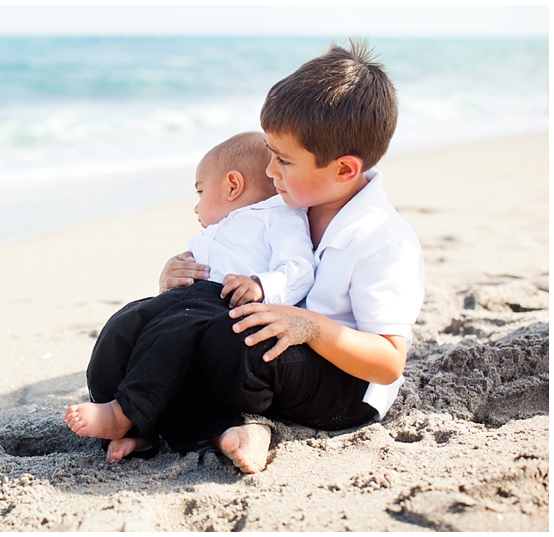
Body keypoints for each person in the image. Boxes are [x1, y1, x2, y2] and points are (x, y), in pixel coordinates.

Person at [153, 40, 425, 474]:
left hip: (344, 387)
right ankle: (215, 426)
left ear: (344, 170)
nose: (269, 171)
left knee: (230, 341)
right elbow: (231, 260)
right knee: (164, 326)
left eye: (282, 160)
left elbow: (389, 362)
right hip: (277, 353)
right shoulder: (288, 205)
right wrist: (181, 275)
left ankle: (241, 425)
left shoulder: (383, 239)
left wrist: (309, 327)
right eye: (269, 153)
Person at [63, 132, 316, 463]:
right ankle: (137, 432)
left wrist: (261, 285)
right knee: (125, 324)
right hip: (185, 300)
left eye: (200, 192)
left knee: (171, 334)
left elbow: (300, 268)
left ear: (232, 186)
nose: (196, 206)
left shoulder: (279, 215)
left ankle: (123, 412)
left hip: (222, 302)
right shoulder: (217, 230)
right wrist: (171, 273)